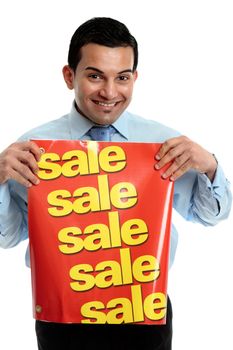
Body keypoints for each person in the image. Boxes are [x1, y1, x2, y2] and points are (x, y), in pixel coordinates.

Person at [0, 17, 231, 350]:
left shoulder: (163, 142)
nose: (109, 92)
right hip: (63, 316)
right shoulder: (34, 146)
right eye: (95, 76)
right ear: (70, 76)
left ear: (134, 78)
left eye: (122, 78)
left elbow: (210, 216)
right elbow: (8, 236)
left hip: (144, 312)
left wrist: (210, 166)